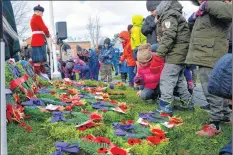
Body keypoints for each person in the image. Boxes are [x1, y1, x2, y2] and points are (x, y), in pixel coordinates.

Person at [186, 0, 232, 136]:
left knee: (210, 89)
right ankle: (225, 115)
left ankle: (215, 124)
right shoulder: (205, 8)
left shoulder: (216, 5)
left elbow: (229, 12)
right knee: (218, 87)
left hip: (210, 53)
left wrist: (208, 4)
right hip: (205, 52)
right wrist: (193, 19)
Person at [146, 0, 192, 115]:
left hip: (176, 53)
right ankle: (187, 103)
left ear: (159, 6)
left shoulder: (169, 15)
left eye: (152, 10)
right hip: (179, 53)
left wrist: (159, 55)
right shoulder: (169, 14)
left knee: (166, 78)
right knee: (179, 80)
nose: (151, 13)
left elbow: (169, 36)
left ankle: (165, 107)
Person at [30, 4, 50, 76]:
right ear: (38, 12)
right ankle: (40, 77)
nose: (42, 15)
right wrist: (47, 34)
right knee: (39, 61)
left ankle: (41, 77)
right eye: (41, 13)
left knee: (39, 61)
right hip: (39, 41)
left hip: (36, 40)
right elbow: (44, 28)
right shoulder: (37, 17)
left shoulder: (33, 18)